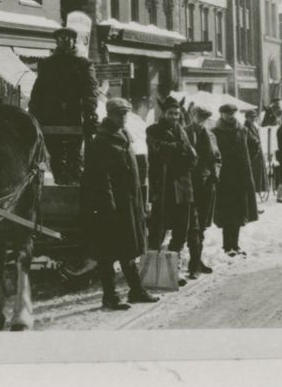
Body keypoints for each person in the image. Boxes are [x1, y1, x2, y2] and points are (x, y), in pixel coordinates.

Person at [80, 97, 159, 310]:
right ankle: (110, 297)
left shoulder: (122, 136)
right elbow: (100, 178)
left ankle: (136, 290)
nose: (123, 117)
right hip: (111, 208)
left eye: (125, 113)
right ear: (110, 115)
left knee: (127, 250)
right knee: (108, 253)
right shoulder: (102, 141)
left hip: (128, 204)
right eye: (119, 114)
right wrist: (108, 207)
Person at [28, 25, 99, 185]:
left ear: (74, 41)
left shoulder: (83, 64)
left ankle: (74, 189)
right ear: (57, 42)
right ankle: (62, 185)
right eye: (61, 39)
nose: (65, 42)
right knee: (56, 157)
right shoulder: (47, 64)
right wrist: (34, 112)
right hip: (51, 118)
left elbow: (91, 91)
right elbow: (38, 90)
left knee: (75, 158)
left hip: (75, 117)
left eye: (68, 39)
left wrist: (89, 112)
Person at [146, 95, 200, 271]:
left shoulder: (182, 131)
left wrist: (179, 151)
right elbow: (161, 150)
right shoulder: (153, 130)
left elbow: (193, 157)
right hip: (163, 186)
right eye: (171, 113)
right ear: (164, 113)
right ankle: (151, 267)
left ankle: (171, 267)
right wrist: (180, 150)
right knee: (158, 228)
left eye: (177, 113)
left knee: (181, 229)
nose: (174, 117)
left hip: (183, 187)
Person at [212, 104, 259, 257]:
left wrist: (246, 161)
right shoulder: (215, 132)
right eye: (227, 114)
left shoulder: (242, 130)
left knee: (239, 212)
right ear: (221, 114)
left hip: (240, 177)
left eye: (232, 113)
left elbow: (254, 145)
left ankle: (236, 245)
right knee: (227, 213)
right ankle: (227, 246)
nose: (230, 116)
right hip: (224, 178)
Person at [185, 105, 219, 277]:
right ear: (192, 115)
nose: (201, 120)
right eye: (199, 116)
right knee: (193, 225)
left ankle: (197, 261)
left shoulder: (211, 135)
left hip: (207, 185)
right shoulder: (184, 133)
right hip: (189, 185)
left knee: (202, 225)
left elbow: (217, 158)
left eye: (204, 117)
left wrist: (215, 174)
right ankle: (194, 264)